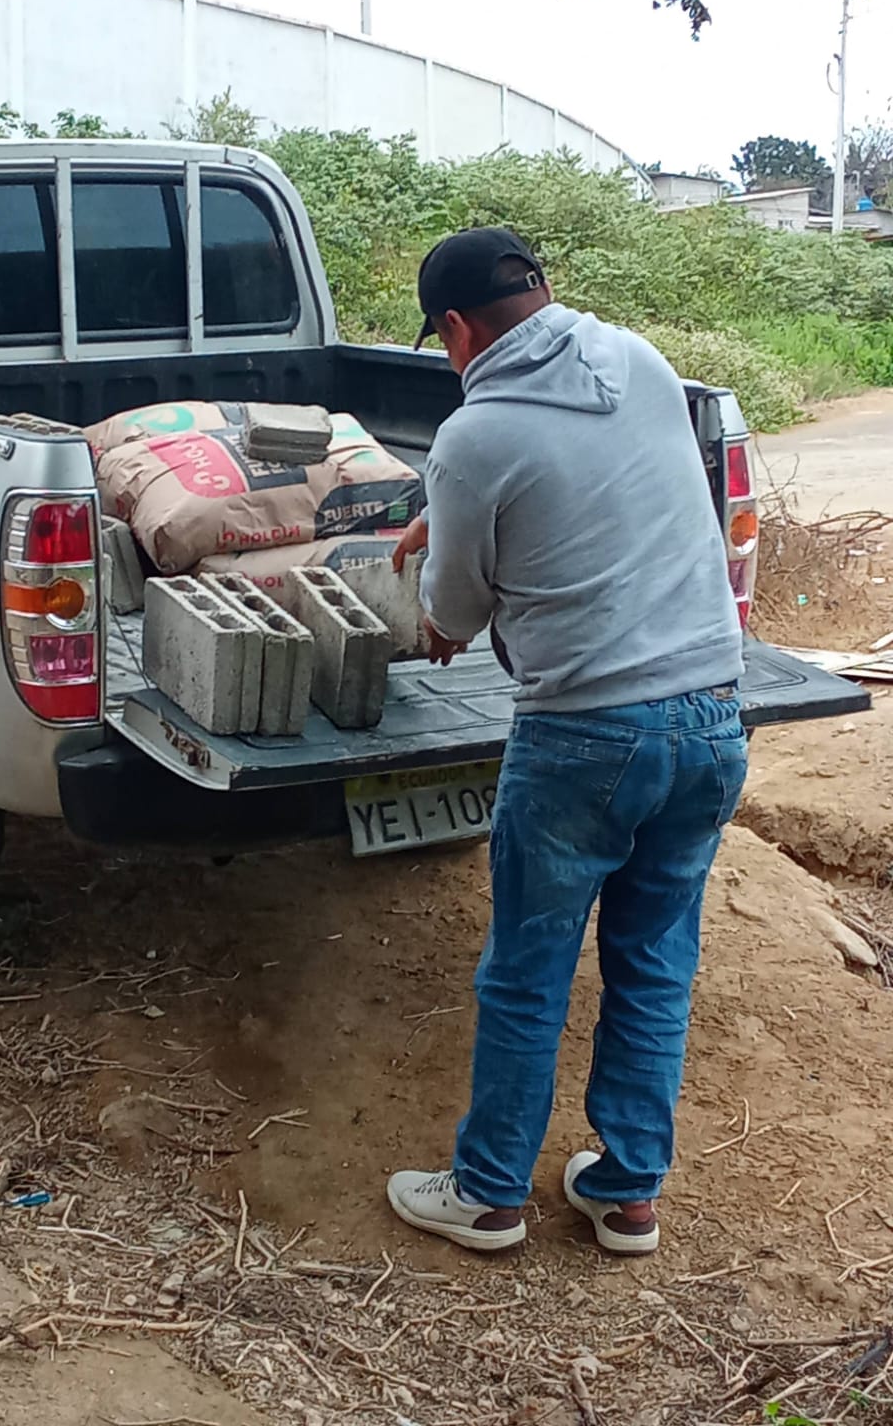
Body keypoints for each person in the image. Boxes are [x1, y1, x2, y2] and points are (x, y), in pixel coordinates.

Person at [385, 227, 749, 1257]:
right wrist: (448, 513)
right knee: (654, 959)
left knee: (528, 970)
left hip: (585, 736)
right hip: (711, 716)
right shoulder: (637, 361)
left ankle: (489, 1193)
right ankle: (627, 1193)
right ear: (542, 291)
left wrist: (438, 584)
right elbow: (597, 490)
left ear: (457, 330)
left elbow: (453, 614)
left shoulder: (474, 435)